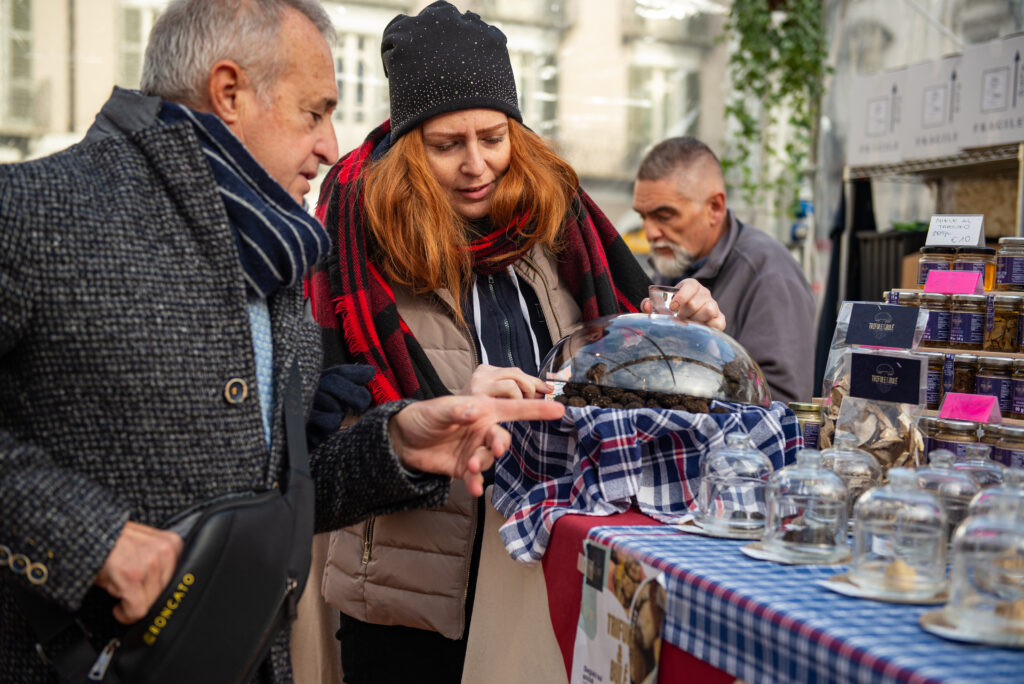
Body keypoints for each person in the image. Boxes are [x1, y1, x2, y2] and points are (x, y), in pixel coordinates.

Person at [0, 1, 565, 682]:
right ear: (230, 92)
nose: (331, 147)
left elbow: (271, 495)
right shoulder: (32, 208)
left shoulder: (277, 258)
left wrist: (397, 446)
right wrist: (86, 540)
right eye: (315, 112)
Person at [307, 3, 724, 682]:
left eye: (493, 137)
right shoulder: (355, 244)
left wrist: (680, 334)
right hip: (417, 602)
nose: (477, 165)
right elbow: (320, 445)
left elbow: (623, 359)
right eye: (447, 145)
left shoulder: (562, 229)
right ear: (411, 146)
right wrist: (448, 410)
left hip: (547, 572)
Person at [633, 136, 816, 404]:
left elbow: (783, 401)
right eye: (643, 216)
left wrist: (704, 351)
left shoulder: (770, 273)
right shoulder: (676, 263)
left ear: (715, 208)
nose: (649, 232)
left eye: (665, 215)